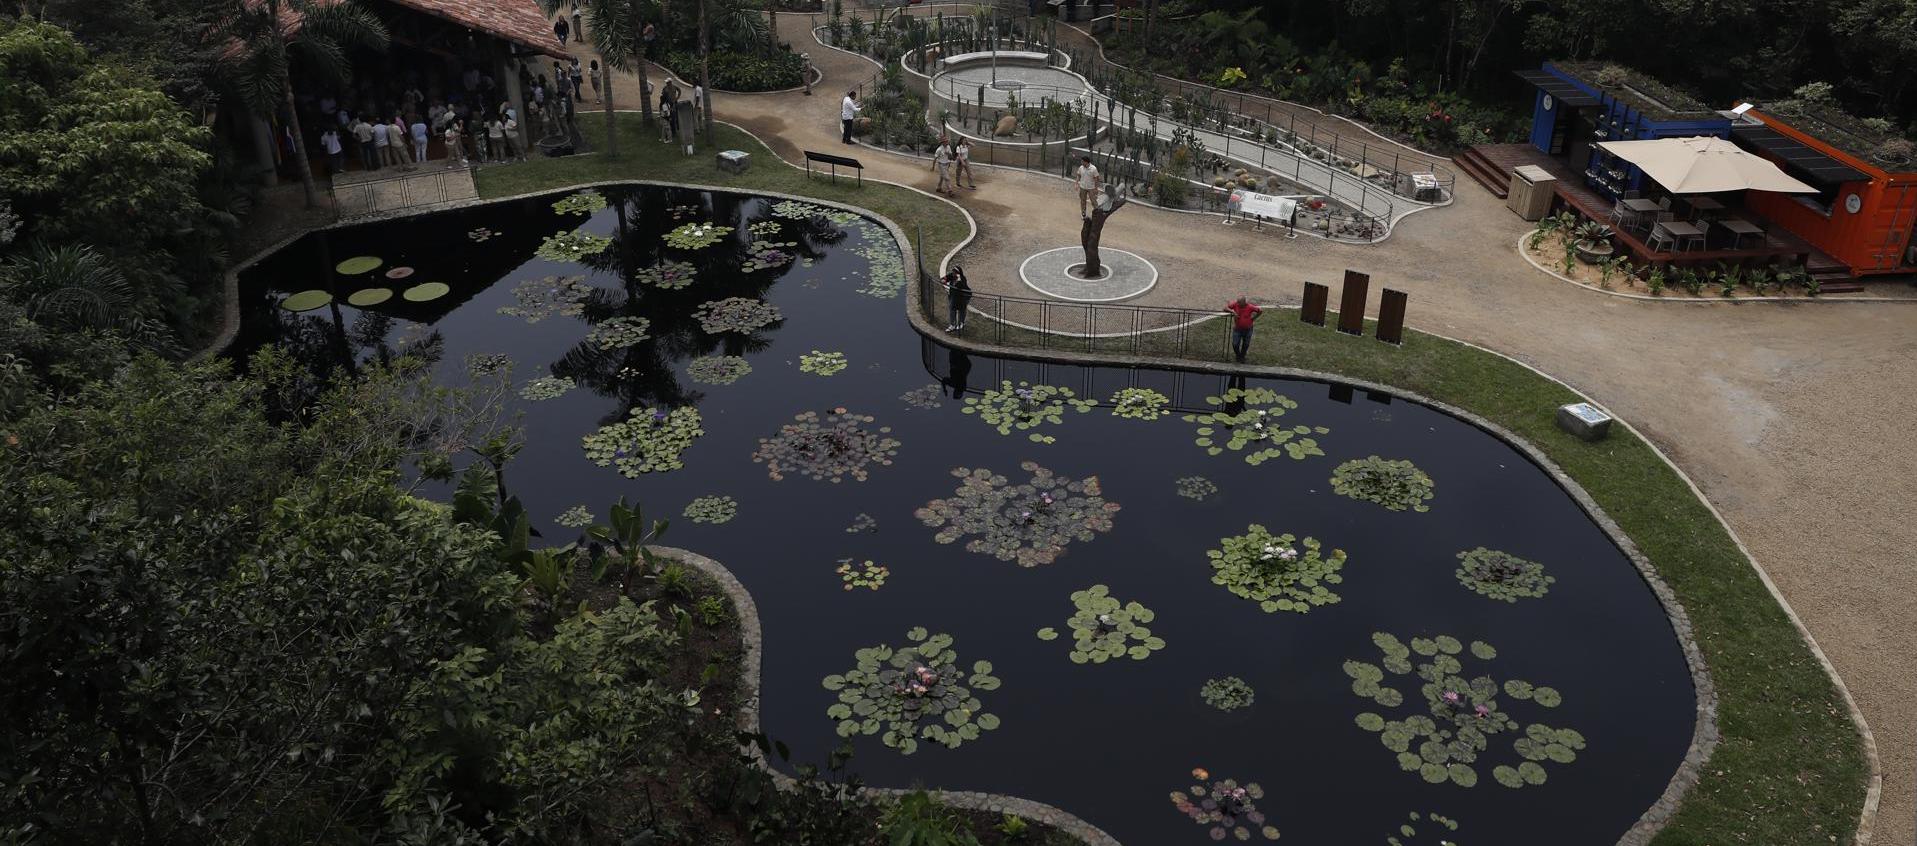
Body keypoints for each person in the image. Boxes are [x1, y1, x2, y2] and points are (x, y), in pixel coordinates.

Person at [1225, 297, 1263, 362]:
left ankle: (1242, 356)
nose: (1238, 304)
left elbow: (1260, 310)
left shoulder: (1250, 307)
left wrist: (1254, 318)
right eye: (1237, 302)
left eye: (1239, 303)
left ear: (1244, 302)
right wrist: (1233, 312)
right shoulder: (1235, 304)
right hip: (1237, 329)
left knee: (1246, 344)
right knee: (1235, 344)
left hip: (1248, 329)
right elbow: (1225, 308)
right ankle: (1238, 355)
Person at [943, 266, 972, 332]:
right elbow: (945, 278)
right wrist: (944, 280)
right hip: (954, 296)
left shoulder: (962, 279)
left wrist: (958, 279)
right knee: (952, 309)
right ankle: (952, 325)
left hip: (963, 297)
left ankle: (961, 323)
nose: (953, 273)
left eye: (955, 272)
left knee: (962, 310)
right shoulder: (952, 275)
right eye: (953, 271)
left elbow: (961, 285)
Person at [1074, 154, 1101, 219]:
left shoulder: (1093, 169)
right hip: (1083, 187)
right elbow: (1078, 175)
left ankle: (1097, 213)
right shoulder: (1081, 167)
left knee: (1093, 201)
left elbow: (1096, 178)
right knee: (1083, 200)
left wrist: (1096, 188)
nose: (1081, 162)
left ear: (1086, 162)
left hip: (1091, 188)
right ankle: (1083, 213)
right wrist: (1076, 183)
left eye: (1082, 161)